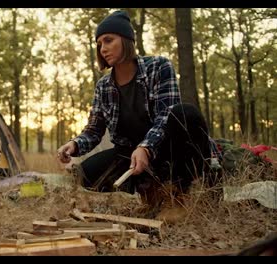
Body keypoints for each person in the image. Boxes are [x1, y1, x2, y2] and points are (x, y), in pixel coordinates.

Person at [57, 10, 221, 224]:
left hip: (166, 149)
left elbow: (165, 116)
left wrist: (145, 147)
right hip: (131, 153)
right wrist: (74, 144)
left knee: (185, 113)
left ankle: (177, 195)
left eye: (108, 40)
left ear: (126, 40)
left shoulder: (159, 67)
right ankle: (150, 192)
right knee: (85, 174)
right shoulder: (103, 86)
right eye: (99, 44)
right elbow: (94, 129)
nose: (103, 48)